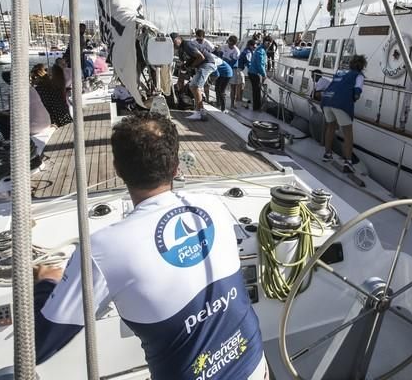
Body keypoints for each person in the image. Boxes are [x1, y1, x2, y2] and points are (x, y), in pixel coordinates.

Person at [33, 113, 267, 379]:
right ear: (176, 166)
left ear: (117, 169)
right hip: (256, 368)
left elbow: (39, 344)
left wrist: (46, 283)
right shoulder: (212, 205)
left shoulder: (101, 251)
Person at [320, 54, 367, 173]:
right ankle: (348, 162)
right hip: (340, 103)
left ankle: (327, 154)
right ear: (362, 66)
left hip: (326, 100)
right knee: (347, 133)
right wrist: (353, 98)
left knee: (330, 127)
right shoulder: (359, 76)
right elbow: (357, 93)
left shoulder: (340, 73)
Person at [222, 35, 242, 110]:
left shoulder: (237, 51)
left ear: (235, 44)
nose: (230, 45)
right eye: (229, 43)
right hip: (224, 68)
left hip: (233, 69)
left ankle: (232, 104)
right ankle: (221, 103)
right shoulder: (224, 47)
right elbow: (222, 57)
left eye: (232, 44)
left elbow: (232, 61)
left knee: (233, 87)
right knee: (222, 86)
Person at [249, 41, 268, 111]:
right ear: (264, 43)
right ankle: (257, 108)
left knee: (256, 90)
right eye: (268, 43)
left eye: (270, 43)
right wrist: (264, 74)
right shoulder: (260, 51)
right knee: (257, 91)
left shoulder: (259, 49)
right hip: (254, 73)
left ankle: (256, 107)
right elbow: (260, 64)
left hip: (253, 72)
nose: (269, 45)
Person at [237, 40, 256, 109]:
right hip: (239, 69)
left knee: (241, 84)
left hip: (239, 69)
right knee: (241, 84)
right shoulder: (248, 52)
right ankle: (239, 100)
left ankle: (239, 99)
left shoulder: (246, 50)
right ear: (250, 46)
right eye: (254, 46)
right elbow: (249, 63)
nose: (255, 48)